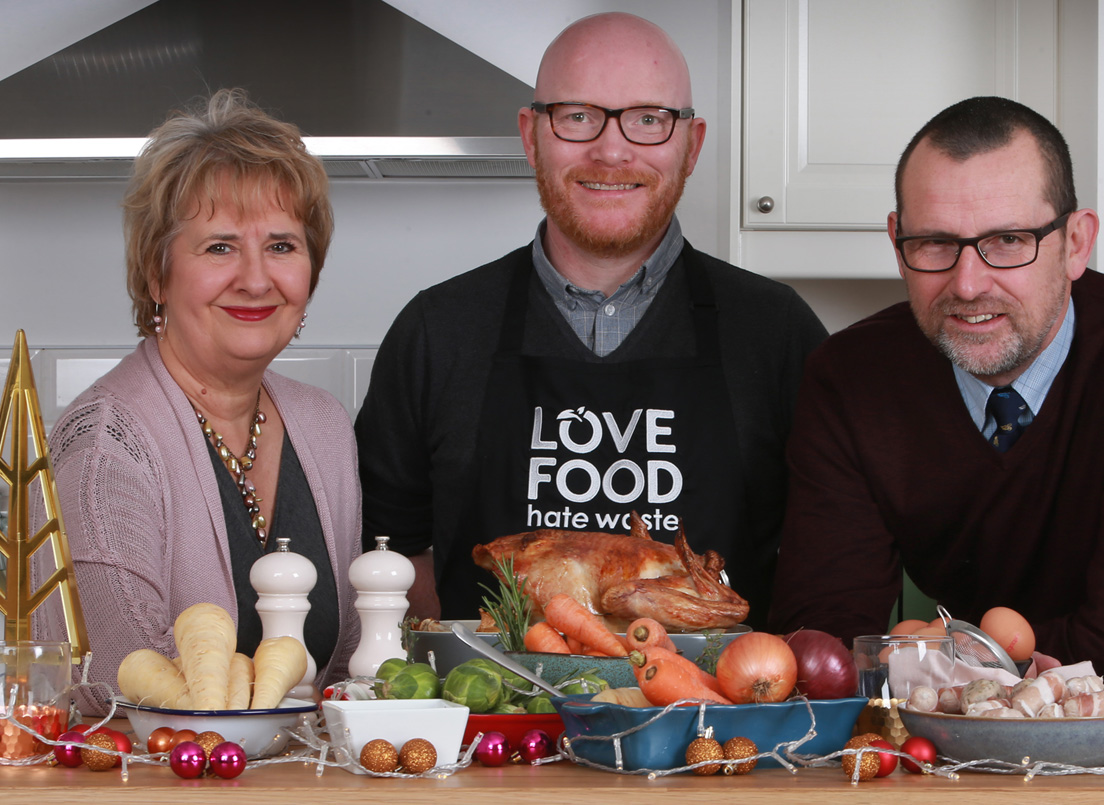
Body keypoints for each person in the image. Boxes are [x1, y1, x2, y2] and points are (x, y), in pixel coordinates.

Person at [770, 96, 1104, 701]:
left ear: (1076, 243)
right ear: (897, 244)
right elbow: (822, 653)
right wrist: (968, 668)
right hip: (979, 749)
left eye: (1008, 240)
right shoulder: (850, 377)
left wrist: (926, 662)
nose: (968, 284)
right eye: (935, 244)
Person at [355, 12, 826, 626]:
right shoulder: (437, 332)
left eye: (648, 119)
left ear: (692, 144)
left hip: (715, 718)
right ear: (531, 135)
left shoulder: (776, 333)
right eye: (577, 116)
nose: (610, 149)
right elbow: (395, 551)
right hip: (497, 718)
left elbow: (825, 556)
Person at [34, 89, 361, 712]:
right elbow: (120, 684)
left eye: (282, 246)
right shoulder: (106, 441)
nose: (257, 278)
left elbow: (341, 670)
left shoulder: (324, 426)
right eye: (219, 246)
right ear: (155, 274)